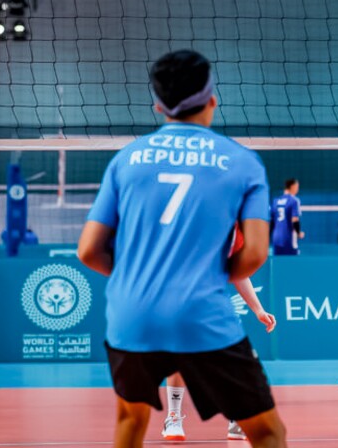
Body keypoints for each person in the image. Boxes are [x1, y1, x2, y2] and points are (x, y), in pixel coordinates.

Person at [77, 50, 286, 448]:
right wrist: (200, 279)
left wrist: (141, 278)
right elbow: (255, 254)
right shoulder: (242, 162)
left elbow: (88, 251)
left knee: (129, 421)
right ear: (212, 100)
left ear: (158, 105)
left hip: (131, 312)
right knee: (267, 431)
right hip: (201, 312)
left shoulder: (126, 160)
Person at [162, 279, 277, 441]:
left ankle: (236, 416)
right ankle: (173, 417)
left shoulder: (222, 252)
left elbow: (240, 274)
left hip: (213, 308)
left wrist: (259, 310)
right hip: (180, 306)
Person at [270, 179, 304, 256]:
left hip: (276, 239)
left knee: (278, 263)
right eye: (297, 187)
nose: (297, 189)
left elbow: (272, 221)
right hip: (288, 238)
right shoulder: (294, 200)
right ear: (292, 186)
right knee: (291, 264)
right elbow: (294, 220)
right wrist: (299, 233)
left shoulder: (275, 201)